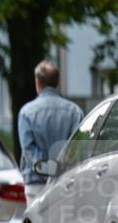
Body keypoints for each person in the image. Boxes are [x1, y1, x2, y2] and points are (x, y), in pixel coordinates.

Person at [18, 60, 84, 201]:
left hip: (36, 183)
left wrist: (47, 169)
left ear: (38, 82)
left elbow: (28, 149)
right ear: (58, 82)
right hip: (66, 182)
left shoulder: (26, 112)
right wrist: (58, 170)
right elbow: (76, 148)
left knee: (35, 216)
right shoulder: (75, 112)